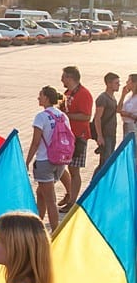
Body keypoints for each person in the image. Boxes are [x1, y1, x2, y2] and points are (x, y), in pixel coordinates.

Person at [24, 86, 70, 230]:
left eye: (40, 95)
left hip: (45, 161)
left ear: (47, 98)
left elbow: (35, 142)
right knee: (41, 193)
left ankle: (55, 232)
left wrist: (27, 161)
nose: (38, 98)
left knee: (50, 199)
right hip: (60, 161)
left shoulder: (41, 116)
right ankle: (37, 226)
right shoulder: (62, 115)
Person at [58, 65, 92, 212]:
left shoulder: (84, 94)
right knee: (59, 165)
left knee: (74, 169)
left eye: (64, 77)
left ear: (70, 78)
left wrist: (66, 116)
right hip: (67, 136)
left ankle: (73, 201)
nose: (61, 79)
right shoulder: (69, 92)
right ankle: (69, 193)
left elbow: (86, 116)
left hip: (79, 136)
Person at [93, 72, 120, 168]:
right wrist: (100, 136)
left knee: (108, 161)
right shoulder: (103, 98)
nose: (119, 85)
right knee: (105, 163)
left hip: (112, 133)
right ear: (109, 84)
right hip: (105, 134)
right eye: (116, 83)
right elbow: (97, 118)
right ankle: (95, 182)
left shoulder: (113, 98)